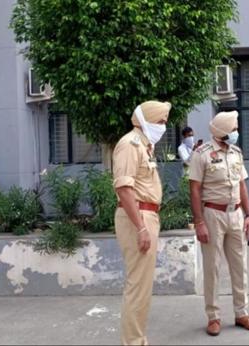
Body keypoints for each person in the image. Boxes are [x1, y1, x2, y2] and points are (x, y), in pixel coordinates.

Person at [189, 111, 249, 337]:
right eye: (234, 128)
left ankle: (242, 313)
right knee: (212, 267)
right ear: (224, 131)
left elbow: (241, 185)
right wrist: (199, 221)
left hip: (236, 214)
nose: (237, 132)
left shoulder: (236, 153)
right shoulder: (202, 154)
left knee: (240, 265)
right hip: (213, 214)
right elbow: (194, 189)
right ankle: (213, 316)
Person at [113, 100, 171, 345]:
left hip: (145, 216)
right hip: (137, 217)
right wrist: (141, 228)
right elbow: (125, 189)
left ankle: (138, 339)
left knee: (142, 287)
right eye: (160, 122)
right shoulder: (130, 144)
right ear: (146, 120)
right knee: (138, 287)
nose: (163, 127)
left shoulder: (145, 146)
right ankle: (133, 342)